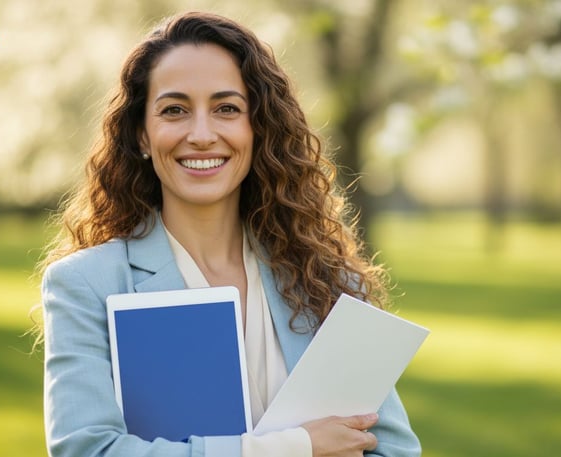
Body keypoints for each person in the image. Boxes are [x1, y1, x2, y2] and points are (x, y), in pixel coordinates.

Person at [39, 11, 421, 457]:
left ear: (257, 128)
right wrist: (295, 447)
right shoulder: (87, 285)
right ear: (142, 134)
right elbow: (88, 449)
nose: (202, 135)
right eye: (175, 110)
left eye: (227, 109)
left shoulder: (324, 280)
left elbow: (392, 449)